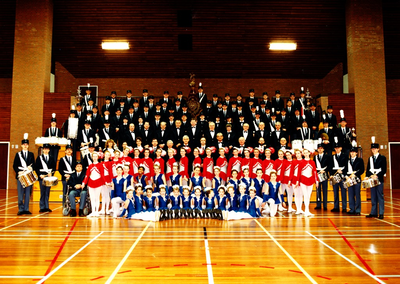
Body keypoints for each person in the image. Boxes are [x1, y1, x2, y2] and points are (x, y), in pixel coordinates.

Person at [13, 133, 36, 215]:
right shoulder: (18, 154)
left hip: (28, 176)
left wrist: (31, 168)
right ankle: (21, 209)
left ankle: (26, 209)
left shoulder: (31, 154)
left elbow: (34, 164)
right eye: (24, 144)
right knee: (20, 194)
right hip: (21, 175)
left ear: (28, 145)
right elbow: (14, 165)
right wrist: (18, 171)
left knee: (27, 193)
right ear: (21, 146)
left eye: (26, 144)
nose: (25, 146)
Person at [365, 137, 387, 219]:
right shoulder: (370, 159)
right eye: (372, 149)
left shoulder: (382, 158)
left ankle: (381, 213)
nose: (373, 150)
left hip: (379, 179)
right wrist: (368, 176)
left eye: (375, 149)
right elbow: (368, 170)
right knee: (373, 196)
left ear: (378, 149)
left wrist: (377, 175)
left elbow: (384, 169)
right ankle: (373, 212)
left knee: (380, 196)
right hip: (372, 180)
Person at [82, 152, 109, 217]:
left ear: (98, 157)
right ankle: (93, 211)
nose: (94, 158)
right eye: (93, 156)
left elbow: (102, 174)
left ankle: (96, 211)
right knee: (92, 198)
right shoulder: (90, 166)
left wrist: (105, 182)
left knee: (97, 198)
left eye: (95, 156)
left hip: (98, 183)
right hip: (91, 183)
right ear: (92, 157)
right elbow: (87, 175)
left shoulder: (100, 165)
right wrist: (83, 183)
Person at [35, 143, 56, 213]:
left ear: (49, 150)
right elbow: (36, 168)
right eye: (45, 149)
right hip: (42, 177)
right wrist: (40, 175)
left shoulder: (52, 158)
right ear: (43, 150)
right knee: (42, 192)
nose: (46, 150)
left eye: (47, 149)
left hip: (49, 177)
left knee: (47, 192)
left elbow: (54, 167)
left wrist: (51, 173)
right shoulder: (39, 158)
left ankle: (47, 206)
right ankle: (42, 207)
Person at [297, 149, 318, 217]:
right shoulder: (301, 162)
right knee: (305, 195)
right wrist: (297, 181)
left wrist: (316, 180)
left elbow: (314, 172)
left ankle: (307, 210)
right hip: (303, 180)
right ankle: (306, 210)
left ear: (309, 153)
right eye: (304, 153)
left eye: (307, 153)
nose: (306, 154)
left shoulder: (312, 162)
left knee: (308, 195)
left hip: (310, 180)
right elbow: (299, 172)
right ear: (303, 154)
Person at [330, 139, 348, 213]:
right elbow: (330, 167)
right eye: (336, 148)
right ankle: (336, 207)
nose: (337, 149)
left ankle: (344, 207)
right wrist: (331, 174)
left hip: (342, 176)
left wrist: (343, 171)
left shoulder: (345, 156)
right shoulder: (332, 157)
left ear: (341, 148)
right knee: (335, 192)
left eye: (338, 148)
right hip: (335, 176)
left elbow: (347, 166)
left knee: (343, 192)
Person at [346, 145, 364, 215]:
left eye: (354, 152)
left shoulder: (360, 160)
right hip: (349, 180)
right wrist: (346, 176)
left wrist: (355, 174)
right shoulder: (348, 161)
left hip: (357, 180)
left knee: (357, 195)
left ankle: (358, 210)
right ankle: (351, 209)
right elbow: (345, 170)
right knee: (350, 195)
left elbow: (362, 170)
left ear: (356, 153)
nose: (352, 153)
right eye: (351, 152)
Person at [314, 141, 331, 211]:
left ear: (323, 149)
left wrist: (325, 170)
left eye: (321, 148)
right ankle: (318, 204)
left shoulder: (327, 156)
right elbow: (314, 166)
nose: (320, 149)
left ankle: (325, 205)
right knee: (318, 190)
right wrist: (318, 172)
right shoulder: (315, 157)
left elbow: (330, 165)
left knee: (324, 190)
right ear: (317, 149)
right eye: (319, 148)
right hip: (318, 175)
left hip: (324, 175)